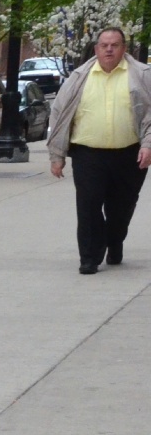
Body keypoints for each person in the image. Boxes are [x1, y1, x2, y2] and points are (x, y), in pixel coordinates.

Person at [45, 26, 151, 274]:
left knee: (120, 209)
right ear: (96, 49)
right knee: (88, 205)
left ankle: (114, 242)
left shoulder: (142, 75)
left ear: (124, 49)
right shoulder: (79, 78)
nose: (109, 49)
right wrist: (57, 156)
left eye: (115, 45)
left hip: (129, 153)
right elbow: (59, 116)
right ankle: (89, 258)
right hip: (88, 153)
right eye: (104, 45)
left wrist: (148, 145)